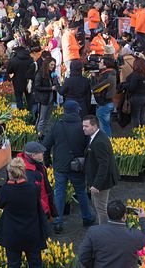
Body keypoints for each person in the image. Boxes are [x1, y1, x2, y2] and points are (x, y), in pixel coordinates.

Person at [42, 100, 94, 233]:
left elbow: (46, 145)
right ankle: (86, 217)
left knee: (59, 193)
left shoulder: (57, 125)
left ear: (64, 111)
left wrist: (47, 162)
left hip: (60, 165)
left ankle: (58, 222)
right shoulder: (83, 126)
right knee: (81, 192)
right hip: (77, 165)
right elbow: (89, 146)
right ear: (77, 111)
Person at [0, 157, 48, 268]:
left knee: (13, 264)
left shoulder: (6, 190)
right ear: (23, 171)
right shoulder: (34, 188)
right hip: (31, 232)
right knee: (35, 263)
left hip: (12, 234)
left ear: (10, 172)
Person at [77, 200, 145, 268]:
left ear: (108, 215)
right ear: (124, 216)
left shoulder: (94, 231)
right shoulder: (136, 235)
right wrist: (143, 219)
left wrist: (96, 265)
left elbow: (83, 255)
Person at [82, 115, 119, 225]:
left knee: (101, 208)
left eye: (86, 126)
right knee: (97, 204)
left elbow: (104, 165)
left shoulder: (99, 142)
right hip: (99, 180)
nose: (83, 128)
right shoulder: (96, 136)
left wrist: (97, 184)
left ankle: (105, 232)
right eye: (83, 126)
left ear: (94, 126)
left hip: (102, 182)